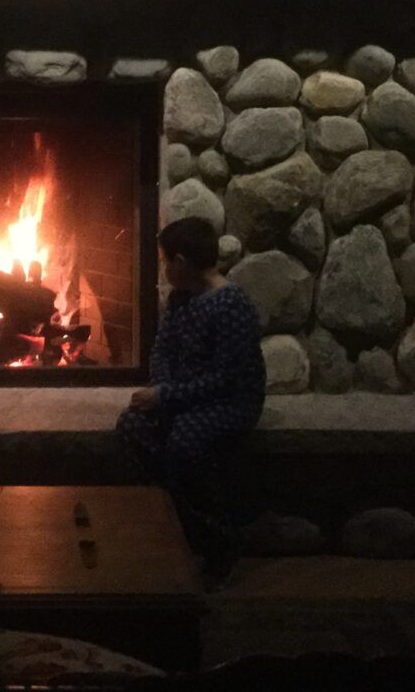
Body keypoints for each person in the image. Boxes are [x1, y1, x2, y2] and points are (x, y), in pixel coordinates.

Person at [117, 216, 266, 590]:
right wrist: (161, 388)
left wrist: (164, 396)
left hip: (228, 402)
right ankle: (166, 521)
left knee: (185, 442)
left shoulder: (231, 305)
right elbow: (162, 349)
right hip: (183, 396)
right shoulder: (180, 298)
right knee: (132, 425)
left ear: (181, 262)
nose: (164, 269)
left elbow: (225, 379)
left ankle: (217, 543)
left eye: (165, 261)